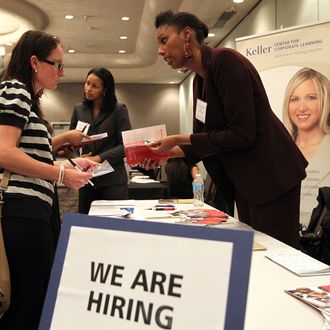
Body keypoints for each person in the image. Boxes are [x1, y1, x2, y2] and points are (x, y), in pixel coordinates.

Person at [147, 10, 308, 248]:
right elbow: (203, 140)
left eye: (164, 40)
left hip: (271, 176)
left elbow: (242, 133)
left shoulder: (226, 61)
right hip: (246, 182)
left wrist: (178, 138)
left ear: (187, 35)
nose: (160, 51)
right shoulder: (198, 80)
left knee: (276, 254)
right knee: (255, 255)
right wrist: (164, 153)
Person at [0, 30, 98, 330]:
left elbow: (24, 154)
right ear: (34, 62)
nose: (62, 71)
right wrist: (60, 173)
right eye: (56, 64)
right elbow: (3, 151)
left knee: (32, 301)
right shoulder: (15, 90)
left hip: (32, 210)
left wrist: (67, 163)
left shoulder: (26, 98)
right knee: (25, 306)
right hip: (20, 212)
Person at [70, 67, 132, 214]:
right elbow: (72, 142)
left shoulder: (118, 109)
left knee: (114, 227)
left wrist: (98, 158)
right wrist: (76, 157)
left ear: (105, 89)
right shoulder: (78, 109)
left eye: (94, 86)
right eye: (87, 83)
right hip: (87, 179)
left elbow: (126, 146)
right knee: (86, 226)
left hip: (113, 182)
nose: (88, 89)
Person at [282, 67, 330, 224]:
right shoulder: (278, 149)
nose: (301, 108)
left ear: (325, 100)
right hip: (281, 238)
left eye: (311, 98)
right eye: (294, 99)